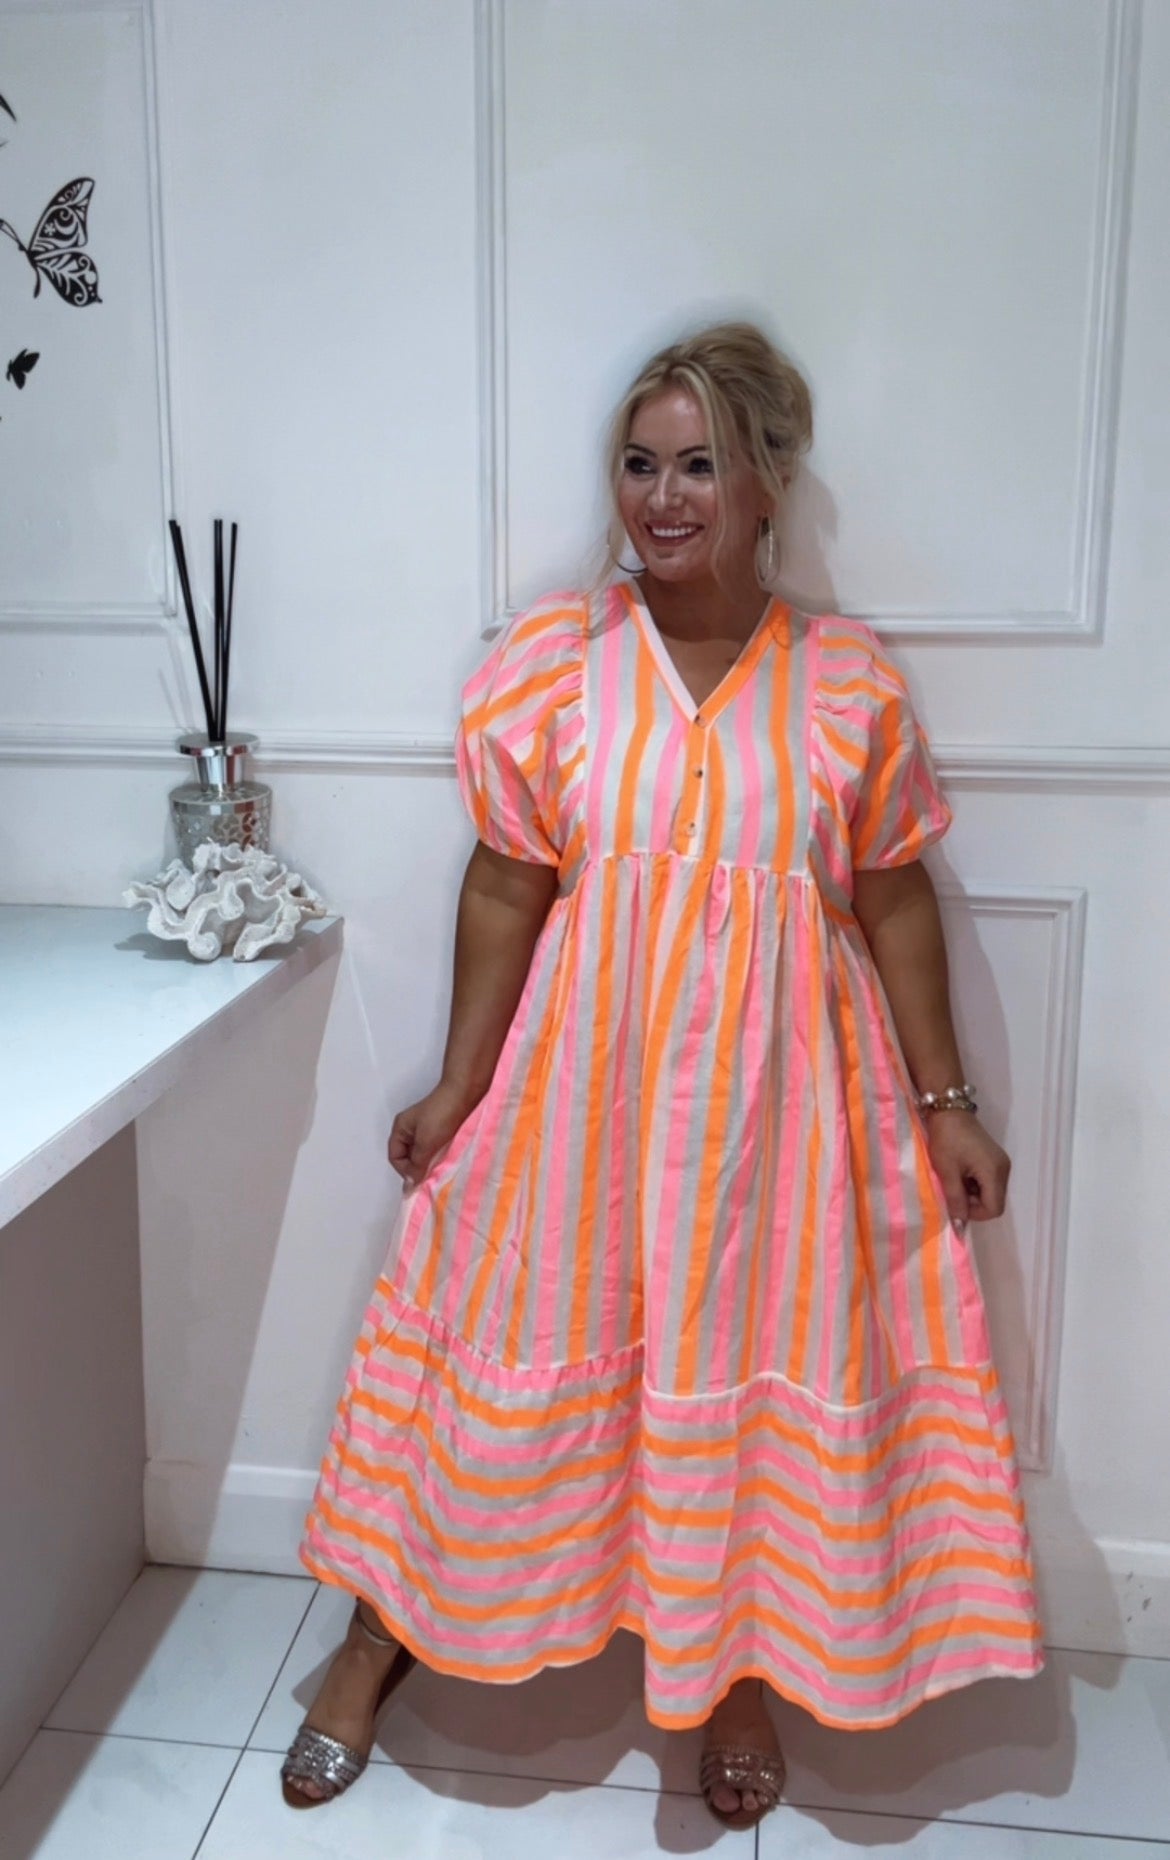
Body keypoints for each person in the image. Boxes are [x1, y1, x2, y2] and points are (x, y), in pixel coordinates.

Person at [283, 322, 1043, 1831]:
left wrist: (945, 1101)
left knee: (744, 1377)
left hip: (780, 1122)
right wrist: (457, 1083)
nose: (664, 496)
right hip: (584, 1104)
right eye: (640, 464)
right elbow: (508, 883)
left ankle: (733, 1673)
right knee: (508, 1354)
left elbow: (892, 894)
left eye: (701, 465)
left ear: (767, 485)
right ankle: (376, 1644)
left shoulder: (843, 684)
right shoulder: (555, 667)